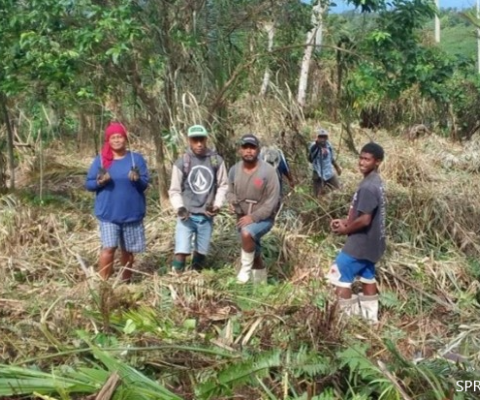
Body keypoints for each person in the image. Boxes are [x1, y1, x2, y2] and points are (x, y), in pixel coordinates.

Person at [327, 142, 386, 324]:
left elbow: (365, 219)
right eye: (361, 158)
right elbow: (367, 215)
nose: (362, 162)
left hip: (360, 244)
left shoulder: (368, 187)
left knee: (339, 276)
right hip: (374, 244)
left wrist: (346, 229)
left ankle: (348, 322)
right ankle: (371, 321)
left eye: (367, 159)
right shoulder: (376, 182)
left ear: (377, 162)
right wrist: (346, 221)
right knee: (367, 277)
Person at [85, 122, 150, 282]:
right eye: (113, 137)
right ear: (108, 140)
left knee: (128, 251)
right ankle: (104, 284)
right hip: (108, 213)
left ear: (125, 139)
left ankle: (125, 282)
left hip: (132, 213)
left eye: (119, 137)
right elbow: (89, 184)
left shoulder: (136, 159)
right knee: (109, 248)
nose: (117, 140)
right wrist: (100, 182)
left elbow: (144, 184)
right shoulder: (101, 161)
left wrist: (136, 180)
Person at [168, 124, 228, 273]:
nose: (199, 144)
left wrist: (217, 204)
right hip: (186, 215)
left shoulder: (216, 161)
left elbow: (223, 185)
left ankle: (196, 278)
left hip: (206, 216)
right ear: (189, 141)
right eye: (195, 140)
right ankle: (177, 277)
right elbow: (174, 190)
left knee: (201, 252)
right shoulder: (182, 162)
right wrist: (179, 208)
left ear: (206, 139)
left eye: (201, 140)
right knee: (181, 250)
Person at [227, 134, 280, 284]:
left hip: (263, 218)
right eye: (245, 147)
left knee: (247, 233)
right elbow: (229, 190)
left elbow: (272, 202)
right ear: (240, 150)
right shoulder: (234, 170)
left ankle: (244, 271)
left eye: (252, 147)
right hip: (241, 216)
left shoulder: (268, 172)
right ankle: (261, 285)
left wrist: (253, 217)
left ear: (257, 150)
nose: (249, 151)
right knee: (254, 251)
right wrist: (231, 200)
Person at [308, 128, 342, 197]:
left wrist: (337, 167)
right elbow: (311, 154)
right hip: (318, 173)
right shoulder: (313, 146)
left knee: (338, 190)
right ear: (317, 138)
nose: (322, 139)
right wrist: (317, 145)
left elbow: (331, 158)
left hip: (329, 172)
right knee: (318, 196)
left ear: (327, 138)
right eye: (320, 137)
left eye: (324, 137)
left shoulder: (328, 145)